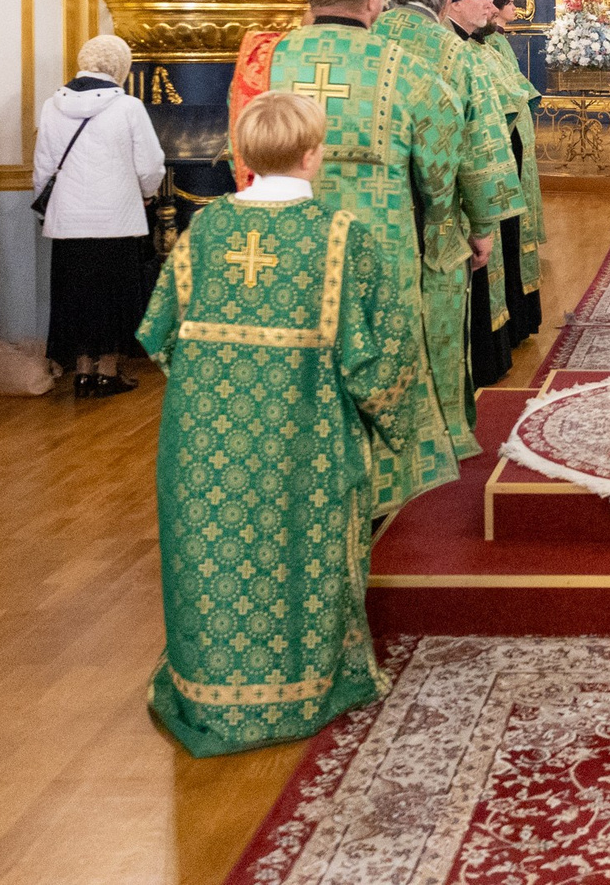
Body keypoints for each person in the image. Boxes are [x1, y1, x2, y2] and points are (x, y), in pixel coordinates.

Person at [140, 90, 422, 754]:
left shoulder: (205, 229)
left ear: (242, 152)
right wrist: (394, 422)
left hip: (202, 444)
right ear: (311, 152)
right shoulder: (343, 235)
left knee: (215, 558)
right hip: (306, 441)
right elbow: (381, 360)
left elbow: (160, 335)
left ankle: (208, 693)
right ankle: (305, 688)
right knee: (302, 552)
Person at [227, 0, 463, 517]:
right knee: (379, 358)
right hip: (381, 246)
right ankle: (380, 491)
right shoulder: (406, 70)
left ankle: (298, 480)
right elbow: (439, 167)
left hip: (282, 243)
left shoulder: (267, 60)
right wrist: (444, 229)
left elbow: (244, 158)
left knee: (302, 358)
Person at [369, 0, 522, 447]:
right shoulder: (452, 53)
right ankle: (436, 434)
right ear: (443, 0)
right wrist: (483, 229)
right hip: (434, 222)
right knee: (433, 327)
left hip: (364, 218)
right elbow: (479, 149)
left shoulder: (368, 36)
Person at [35, 33, 167, 398]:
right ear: (120, 67)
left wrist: (48, 207)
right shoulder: (128, 108)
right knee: (112, 295)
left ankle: (81, 372)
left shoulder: (52, 105)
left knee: (75, 294)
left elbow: (43, 166)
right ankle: (107, 372)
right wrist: (146, 194)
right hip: (117, 217)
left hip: (67, 219)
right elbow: (151, 164)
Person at [453, 0, 543, 385]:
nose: (491, 7)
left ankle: (516, 323)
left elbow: (513, 92)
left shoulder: (487, 47)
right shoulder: (460, 53)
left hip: (505, 156)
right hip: (483, 169)